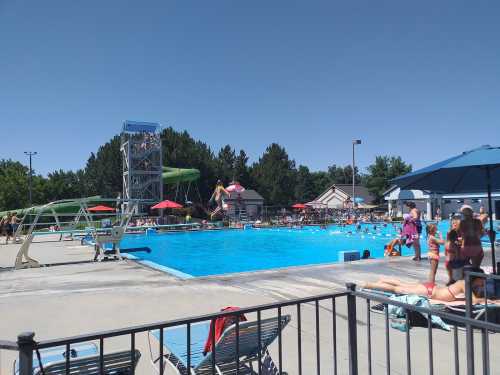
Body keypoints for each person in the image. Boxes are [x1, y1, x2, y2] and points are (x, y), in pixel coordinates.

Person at [363, 273, 487, 303]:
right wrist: (491, 301)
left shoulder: (463, 283)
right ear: (475, 279)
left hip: (430, 288)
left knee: (401, 284)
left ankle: (383, 280)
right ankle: (370, 285)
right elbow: (474, 301)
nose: (482, 285)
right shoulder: (463, 284)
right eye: (482, 282)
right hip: (428, 291)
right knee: (397, 289)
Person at [445, 218, 462, 285]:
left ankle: (454, 280)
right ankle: (451, 279)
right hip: (452, 255)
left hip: (456, 254)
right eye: (453, 224)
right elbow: (448, 241)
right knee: (450, 268)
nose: (454, 225)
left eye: (455, 224)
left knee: (455, 269)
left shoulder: (460, 232)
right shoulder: (450, 232)